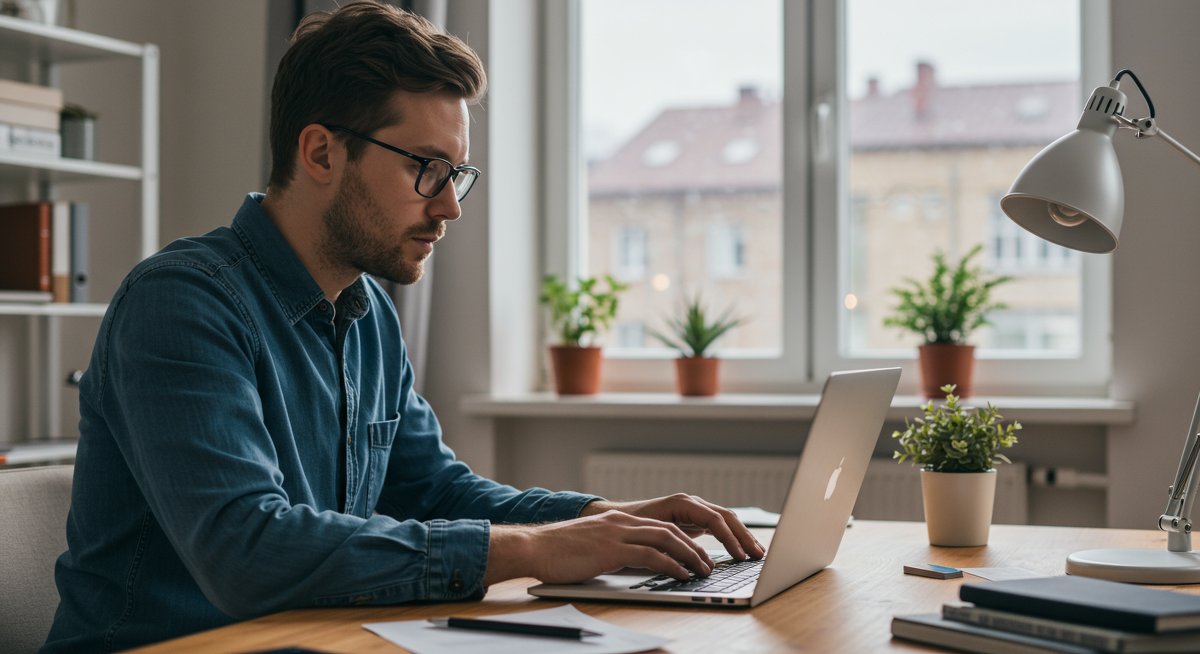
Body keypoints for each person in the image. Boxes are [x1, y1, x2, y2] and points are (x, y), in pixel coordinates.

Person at [41, 3, 763, 652]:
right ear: (322, 152)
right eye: (427, 168)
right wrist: (537, 552)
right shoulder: (182, 304)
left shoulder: (368, 310)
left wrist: (604, 520)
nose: (449, 206)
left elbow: (436, 491)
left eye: (458, 174)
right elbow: (247, 551)